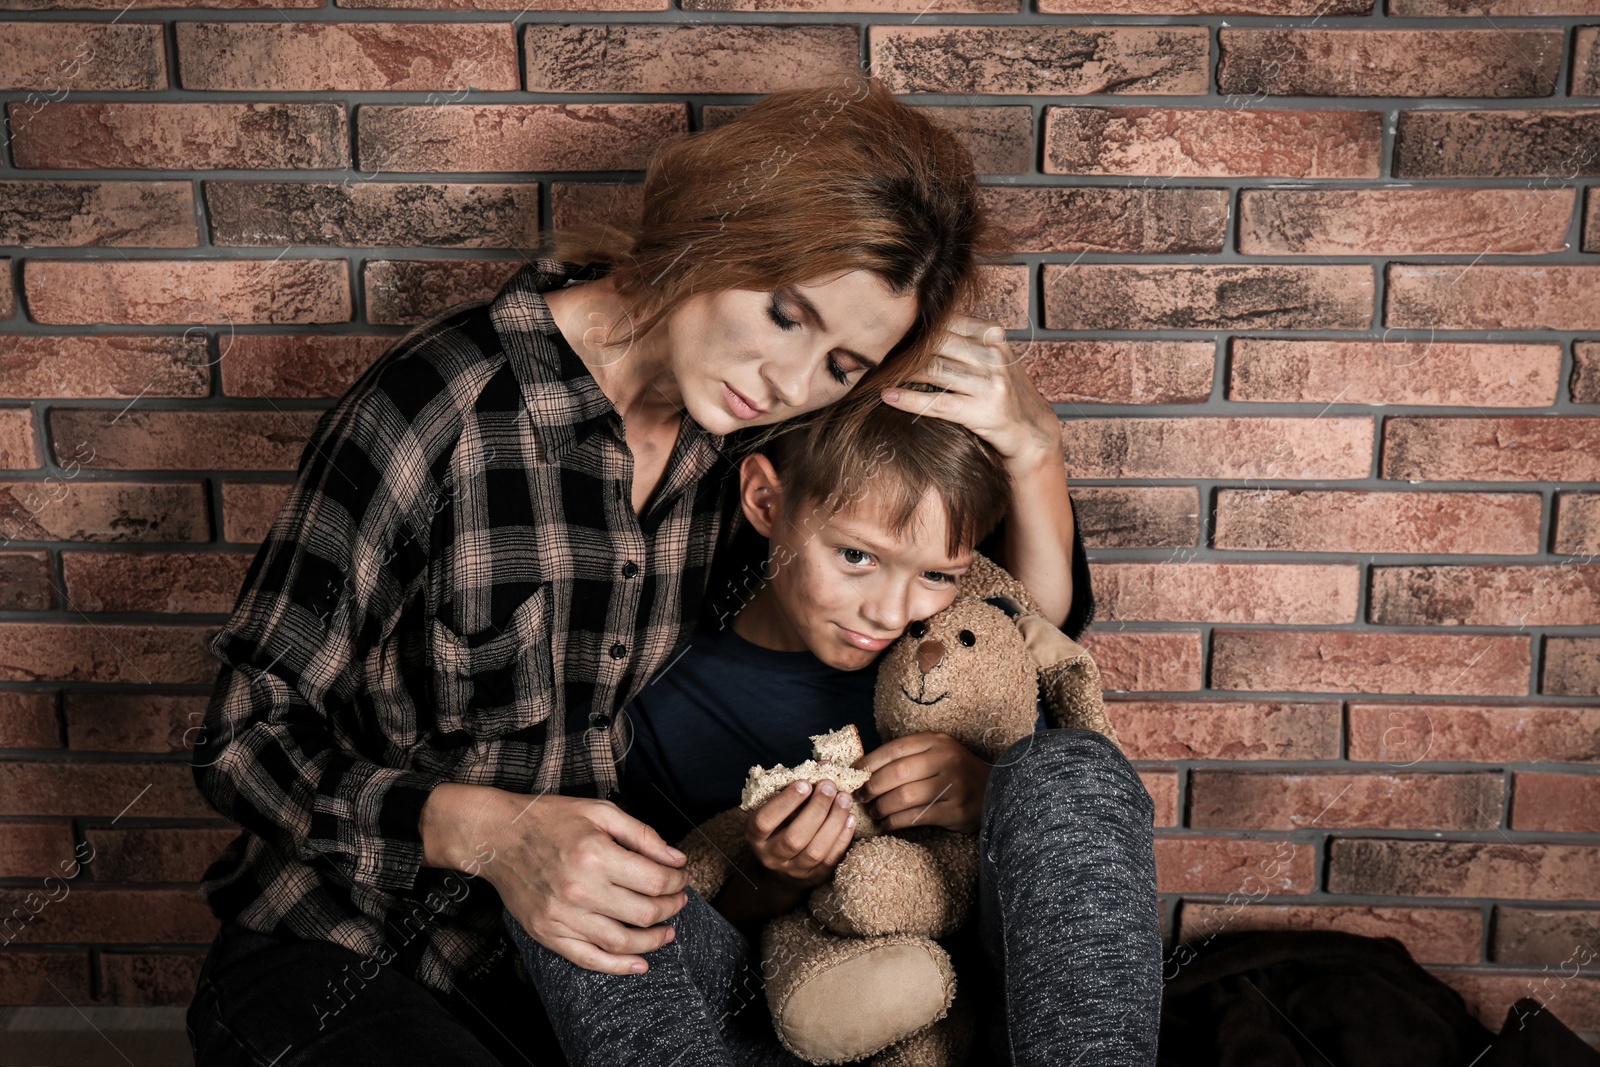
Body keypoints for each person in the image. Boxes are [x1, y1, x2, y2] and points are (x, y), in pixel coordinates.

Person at [183, 70, 1087, 1066]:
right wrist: (495, 835)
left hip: (599, 976)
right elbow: (239, 732)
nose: (790, 379)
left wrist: (1031, 447)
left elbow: (1002, 626)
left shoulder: (754, 446)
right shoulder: (437, 406)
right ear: (717, 226)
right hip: (348, 947)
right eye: (787, 312)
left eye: (839, 363)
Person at [502, 401, 1162, 1065]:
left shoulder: (965, 648)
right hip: (785, 1020)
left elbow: (1065, 853)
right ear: (765, 501)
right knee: (571, 871)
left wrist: (991, 793)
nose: (890, 609)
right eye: (856, 555)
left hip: (984, 1021)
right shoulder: (666, 688)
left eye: (936, 573)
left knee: (1071, 766)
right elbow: (700, 935)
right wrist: (774, 875)